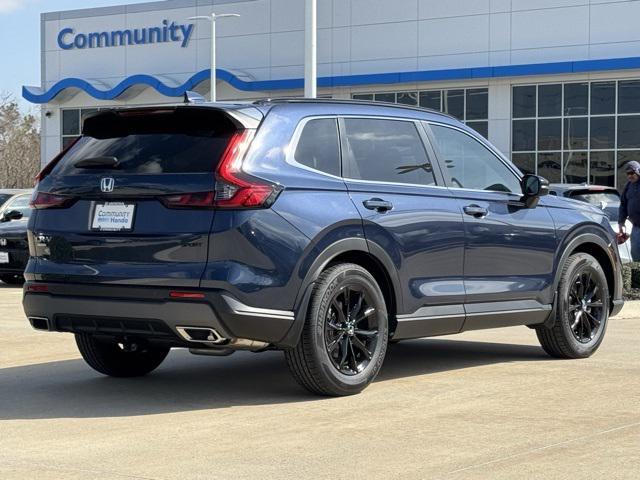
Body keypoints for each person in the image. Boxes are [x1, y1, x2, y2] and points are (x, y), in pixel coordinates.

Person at [618, 160, 640, 261]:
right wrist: (621, 222)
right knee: (635, 254)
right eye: (628, 173)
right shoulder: (628, 186)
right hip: (636, 227)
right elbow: (623, 205)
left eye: (632, 173)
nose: (630, 176)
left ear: (638, 172)